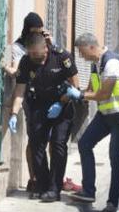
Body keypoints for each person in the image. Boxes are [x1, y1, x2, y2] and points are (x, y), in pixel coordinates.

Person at [7, 32, 81, 202]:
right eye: (30, 52)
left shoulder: (62, 57)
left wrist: (61, 104)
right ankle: (42, 185)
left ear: (45, 49)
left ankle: (55, 189)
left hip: (62, 105)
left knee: (57, 144)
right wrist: (13, 113)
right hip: (39, 105)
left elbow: (75, 86)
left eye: (35, 53)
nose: (32, 56)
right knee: (36, 144)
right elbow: (20, 90)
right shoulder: (26, 62)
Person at [69, 33, 119, 212]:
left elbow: (103, 94)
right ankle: (89, 192)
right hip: (106, 114)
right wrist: (76, 93)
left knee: (115, 156)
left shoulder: (112, 63)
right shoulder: (95, 65)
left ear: (91, 47)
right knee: (84, 144)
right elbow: (92, 90)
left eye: (82, 52)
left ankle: (112, 203)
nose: (81, 57)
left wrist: (80, 95)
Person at [1, 12, 46, 198]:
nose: (36, 33)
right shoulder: (18, 47)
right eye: (33, 30)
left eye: (39, 31)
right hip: (29, 97)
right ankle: (34, 178)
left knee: (47, 141)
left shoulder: (47, 45)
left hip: (48, 96)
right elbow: (15, 70)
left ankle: (47, 177)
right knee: (34, 140)